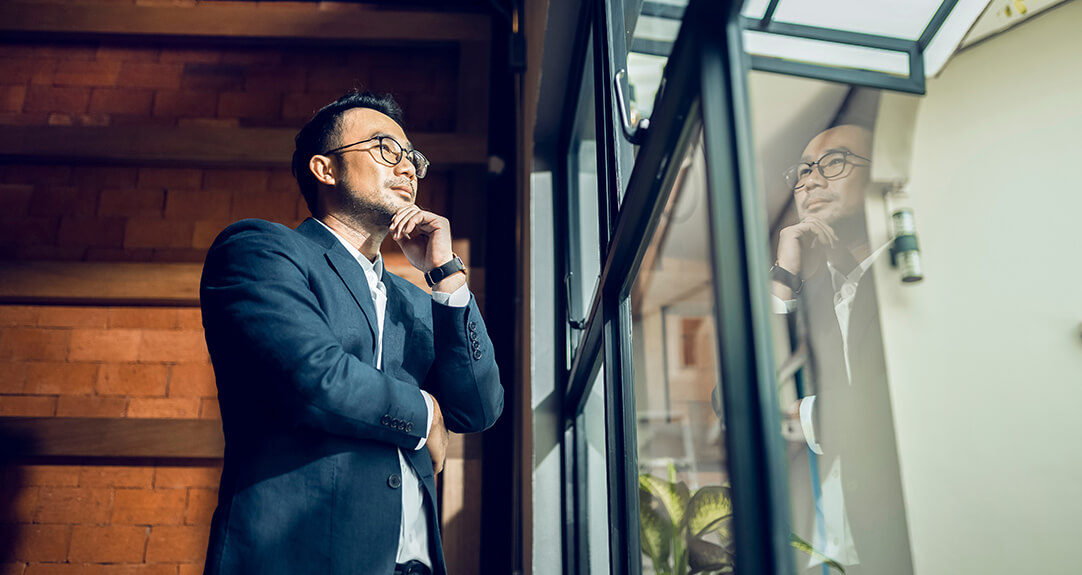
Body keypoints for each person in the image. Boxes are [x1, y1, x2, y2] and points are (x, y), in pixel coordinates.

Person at [199, 91, 504, 575]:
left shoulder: (418, 303)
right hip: (301, 559)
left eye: (413, 158)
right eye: (386, 148)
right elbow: (313, 377)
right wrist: (424, 412)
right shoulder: (261, 250)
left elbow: (479, 407)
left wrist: (446, 276)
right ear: (326, 169)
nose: (407, 168)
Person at [772, 125, 913, 574]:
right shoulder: (808, 296)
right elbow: (732, 398)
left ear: (877, 177)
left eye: (834, 163)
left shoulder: (905, 273)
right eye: (804, 171)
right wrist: (782, 279)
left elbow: (910, 397)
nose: (810, 181)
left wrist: (808, 412)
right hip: (828, 555)